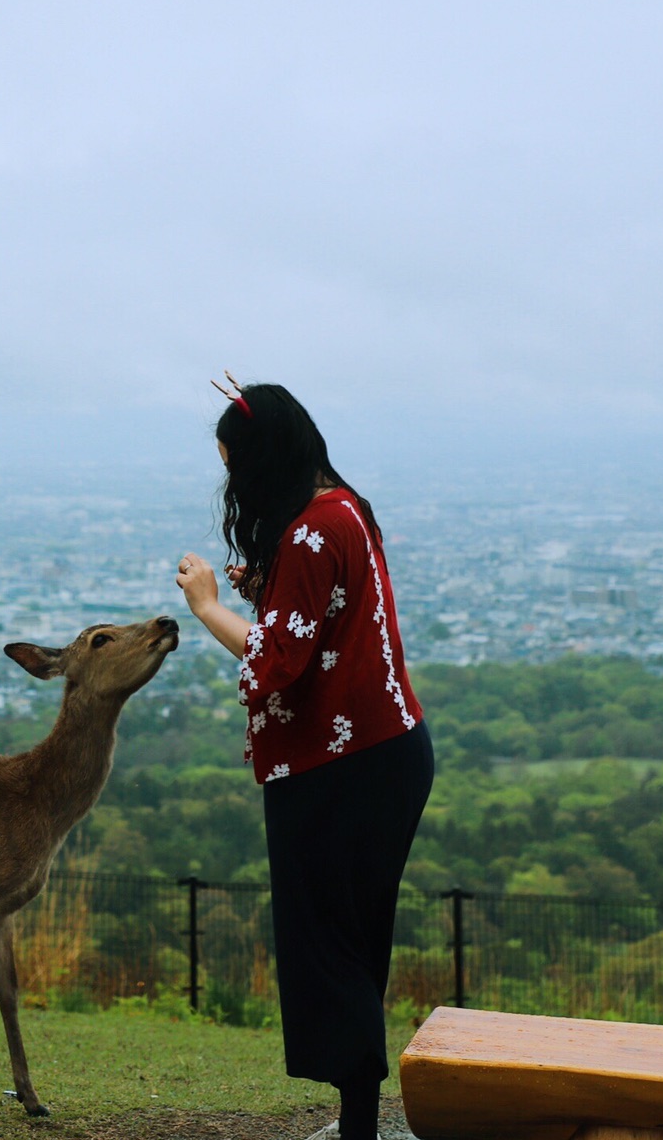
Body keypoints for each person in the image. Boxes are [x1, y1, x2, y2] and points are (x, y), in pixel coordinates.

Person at [176, 379, 433, 1140]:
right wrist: (265, 582)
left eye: (236, 467)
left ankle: (357, 1121)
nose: (234, 485)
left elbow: (280, 658)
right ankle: (358, 1115)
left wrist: (207, 604)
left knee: (325, 944)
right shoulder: (341, 507)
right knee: (354, 938)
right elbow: (324, 609)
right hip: (387, 753)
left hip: (341, 766)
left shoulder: (312, 530)